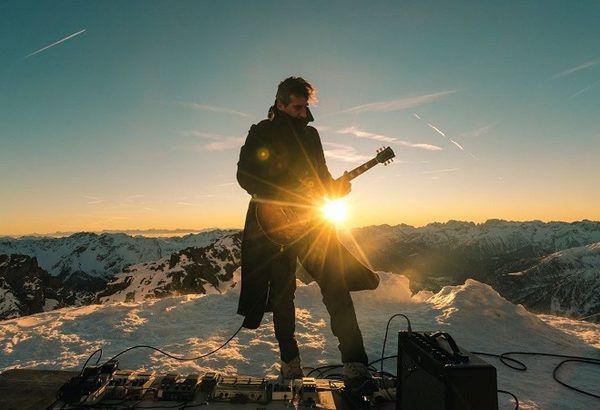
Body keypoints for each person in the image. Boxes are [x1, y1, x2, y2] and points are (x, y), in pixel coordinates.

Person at [236, 76, 379, 395]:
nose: (304, 113)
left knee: (336, 284)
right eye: (298, 107)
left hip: (312, 222)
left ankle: (355, 365)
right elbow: (245, 174)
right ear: (280, 104)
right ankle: (290, 363)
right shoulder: (261, 132)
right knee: (282, 294)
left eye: (306, 107)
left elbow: (322, 180)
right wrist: (279, 198)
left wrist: (337, 189)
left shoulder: (311, 137)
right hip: (272, 225)